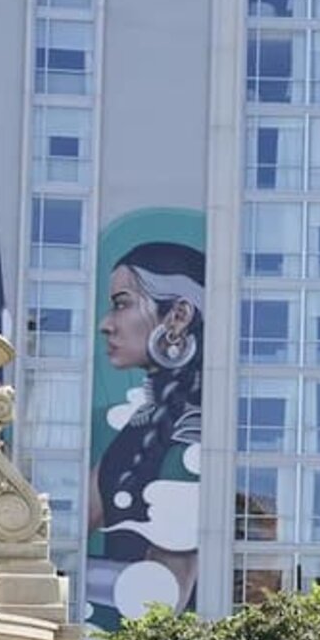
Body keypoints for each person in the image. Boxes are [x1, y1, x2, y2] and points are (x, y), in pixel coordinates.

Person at [87, 242, 206, 619]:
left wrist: (55, 578)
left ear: (178, 316)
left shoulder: (196, 437)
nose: (106, 323)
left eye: (122, 303)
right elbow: (64, 534)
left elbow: (162, 594)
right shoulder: (140, 425)